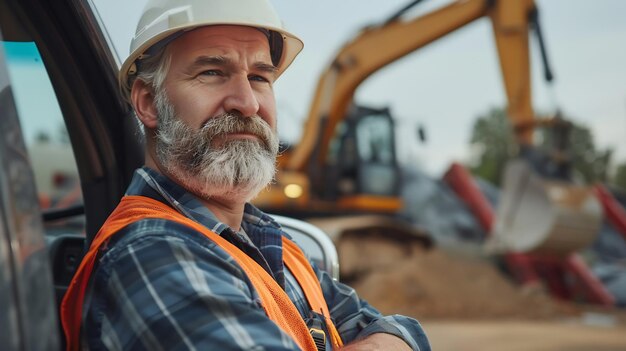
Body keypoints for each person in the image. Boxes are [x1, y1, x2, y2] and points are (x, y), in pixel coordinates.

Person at [61, 0, 431, 350]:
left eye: (259, 77)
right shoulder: (150, 254)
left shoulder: (275, 248)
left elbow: (402, 330)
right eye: (212, 72)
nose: (247, 102)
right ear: (148, 102)